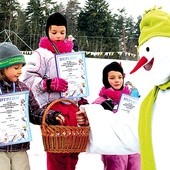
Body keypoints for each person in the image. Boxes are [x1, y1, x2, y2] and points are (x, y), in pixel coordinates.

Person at [23, 12, 80, 170]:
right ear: (47, 32)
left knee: (73, 149)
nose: (58, 36)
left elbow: (79, 79)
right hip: (52, 108)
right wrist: (48, 84)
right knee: (57, 151)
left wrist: (81, 95)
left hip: (71, 106)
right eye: (54, 32)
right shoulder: (41, 54)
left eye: (62, 32)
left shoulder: (72, 54)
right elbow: (27, 79)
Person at [0, 42, 64, 170]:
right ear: (3, 68)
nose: (20, 72)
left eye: (21, 68)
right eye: (16, 68)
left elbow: (34, 112)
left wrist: (51, 116)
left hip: (19, 146)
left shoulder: (23, 88)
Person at [77, 61, 140, 170]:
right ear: (106, 79)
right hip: (113, 147)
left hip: (132, 145)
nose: (117, 80)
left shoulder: (130, 99)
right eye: (112, 77)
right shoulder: (102, 100)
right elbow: (91, 119)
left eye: (120, 77)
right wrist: (101, 110)